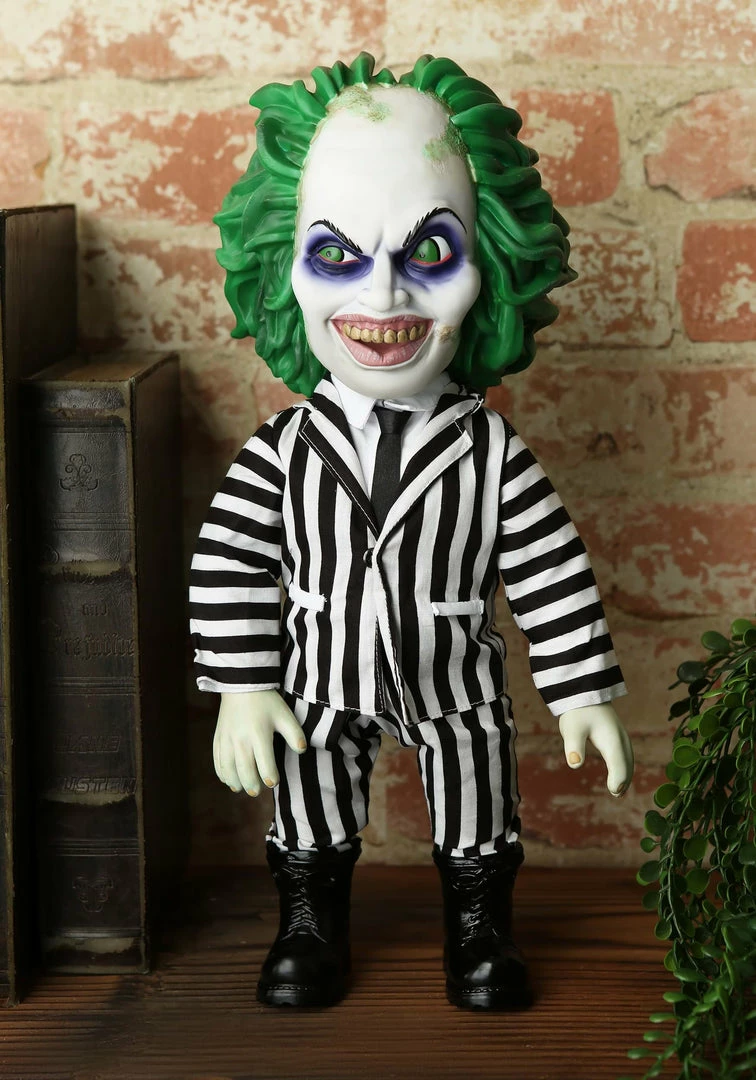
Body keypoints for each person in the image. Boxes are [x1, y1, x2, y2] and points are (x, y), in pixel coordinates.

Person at [189, 53, 634, 1011]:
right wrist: (242, 685)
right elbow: (229, 558)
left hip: (456, 680)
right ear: (284, 270)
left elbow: (549, 570)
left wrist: (581, 693)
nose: (383, 297)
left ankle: (480, 928)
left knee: (478, 799)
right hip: (319, 679)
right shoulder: (283, 450)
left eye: (430, 252)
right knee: (308, 802)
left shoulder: (489, 452)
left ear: (492, 268)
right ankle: (308, 923)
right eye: (336, 256)